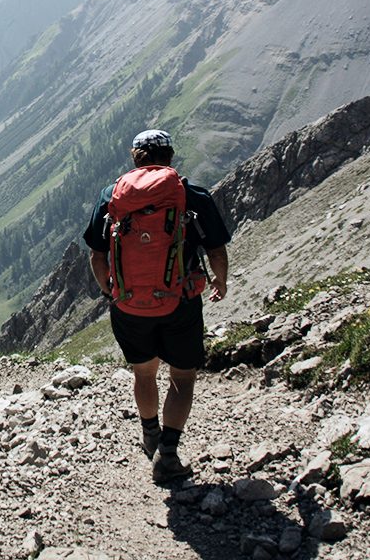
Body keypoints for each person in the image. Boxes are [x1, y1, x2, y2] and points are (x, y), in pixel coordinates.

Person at [82, 128, 230, 483]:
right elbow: (215, 250)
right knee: (181, 376)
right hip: (180, 302)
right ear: (170, 156)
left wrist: (110, 292)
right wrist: (219, 280)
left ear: (136, 157)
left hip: (129, 306)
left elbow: (97, 256)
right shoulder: (191, 196)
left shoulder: (111, 197)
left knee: (144, 372)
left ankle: (150, 434)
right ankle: (168, 453)